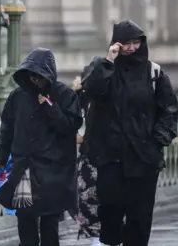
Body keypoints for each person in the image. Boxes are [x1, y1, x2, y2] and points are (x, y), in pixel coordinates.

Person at [80, 20, 178, 246]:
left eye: (136, 42)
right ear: (117, 43)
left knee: (140, 217)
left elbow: (169, 110)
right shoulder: (103, 68)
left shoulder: (154, 73)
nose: (132, 48)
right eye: (127, 43)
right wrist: (109, 60)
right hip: (111, 157)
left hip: (144, 158)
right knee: (110, 212)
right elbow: (92, 90)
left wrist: (157, 141)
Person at [0, 48, 83, 246]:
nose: (36, 81)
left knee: (50, 223)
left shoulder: (63, 94)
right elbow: (6, 129)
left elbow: (70, 126)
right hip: (24, 168)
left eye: (39, 76)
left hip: (53, 170)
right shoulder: (17, 97)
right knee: (25, 221)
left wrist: (49, 107)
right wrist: (0, 159)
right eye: (32, 76)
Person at [71, 76, 102, 246]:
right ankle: (96, 237)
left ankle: (98, 237)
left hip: (102, 157)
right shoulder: (82, 99)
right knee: (85, 198)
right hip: (89, 157)